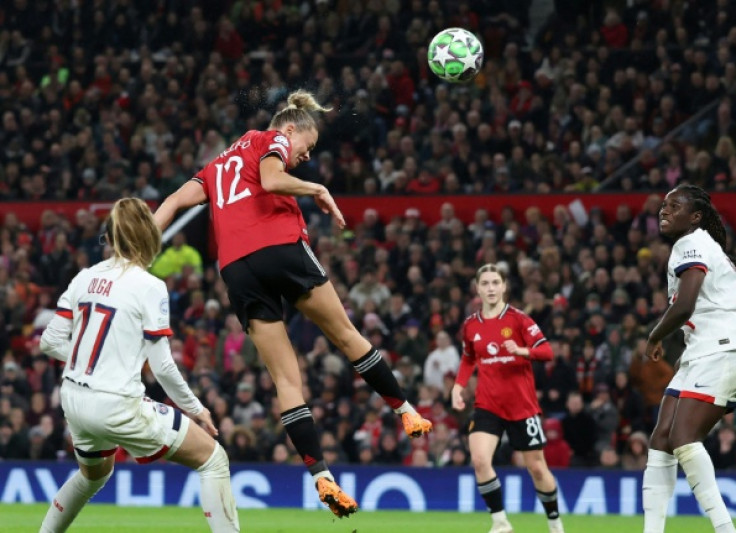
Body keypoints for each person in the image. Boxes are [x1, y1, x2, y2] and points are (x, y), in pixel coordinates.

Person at [154, 90, 431, 517]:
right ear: (291, 129)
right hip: (278, 245)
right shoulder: (270, 139)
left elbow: (172, 203)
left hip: (236, 268)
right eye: (309, 147)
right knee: (344, 333)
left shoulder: (216, 165)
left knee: (286, 379)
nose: (306, 155)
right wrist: (316, 188)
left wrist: (137, 251)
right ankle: (406, 410)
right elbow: (271, 180)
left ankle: (320, 474)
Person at [38, 199, 239, 532]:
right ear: (149, 236)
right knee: (213, 460)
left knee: (92, 477)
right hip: (116, 403)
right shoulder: (150, 287)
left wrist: (92, 359)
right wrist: (196, 408)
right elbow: (162, 367)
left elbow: (50, 341)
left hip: (73, 398)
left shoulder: (85, 277)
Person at [642, 184, 736, 533]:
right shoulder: (704, 244)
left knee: (684, 437)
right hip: (706, 349)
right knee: (662, 437)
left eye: (675, 205)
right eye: (664, 204)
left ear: (695, 216)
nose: (664, 210)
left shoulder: (691, 244)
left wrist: (654, 335)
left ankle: (724, 529)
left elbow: (684, 304)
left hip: (724, 348)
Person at [452, 264, 564, 533]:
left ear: (504, 287)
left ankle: (554, 522)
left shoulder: (519, 320)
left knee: (537, 468)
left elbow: (547, 351)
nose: (490, 288)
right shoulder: (470, 325)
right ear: (478, 289)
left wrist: (524, 351)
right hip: (487, 405)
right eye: (485, 283)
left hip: (522, 407)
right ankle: (501, 522)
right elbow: (469, 358)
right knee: (479, 460)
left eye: (495, 283)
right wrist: (458, 386)